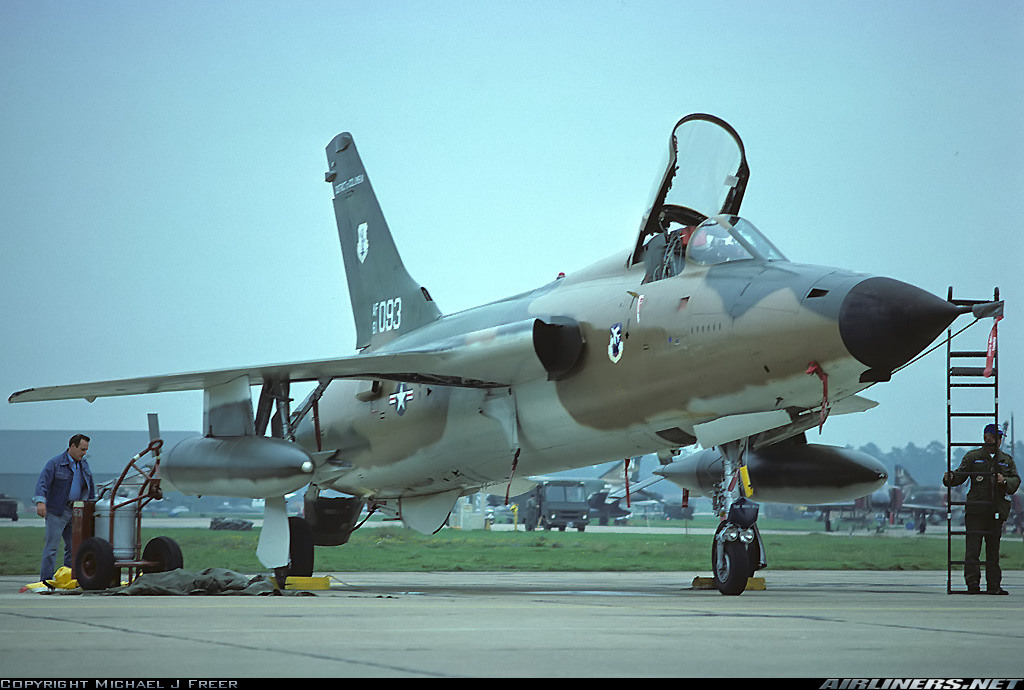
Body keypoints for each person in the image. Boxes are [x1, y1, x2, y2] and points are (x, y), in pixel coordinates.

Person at [943, 424, 1020, 594]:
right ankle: (972, 583)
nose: (998, 440)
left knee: (993, 550)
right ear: (986, 437)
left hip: (996, 510)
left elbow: (1015, 481)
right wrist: (950, 478)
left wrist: (1004, 481)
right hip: (976, 510)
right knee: (973, 549)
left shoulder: (1005, 460)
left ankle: (994, 585)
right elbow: (960, 476)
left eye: (999, 437)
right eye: (995, 437)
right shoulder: (973, 457)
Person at [33, 434, 95, 583]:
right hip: (57, 511)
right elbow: (42, 483)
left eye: (86, 450)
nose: (84, 453)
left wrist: (91, 505)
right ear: (72, 446)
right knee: (52, 547)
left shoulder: (84, 464)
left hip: (76, 511)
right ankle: (46, 581)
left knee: (74, 547)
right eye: (82, 449)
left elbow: (90, 486)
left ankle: (69, 578)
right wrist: (40, 502)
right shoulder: (55, 463)